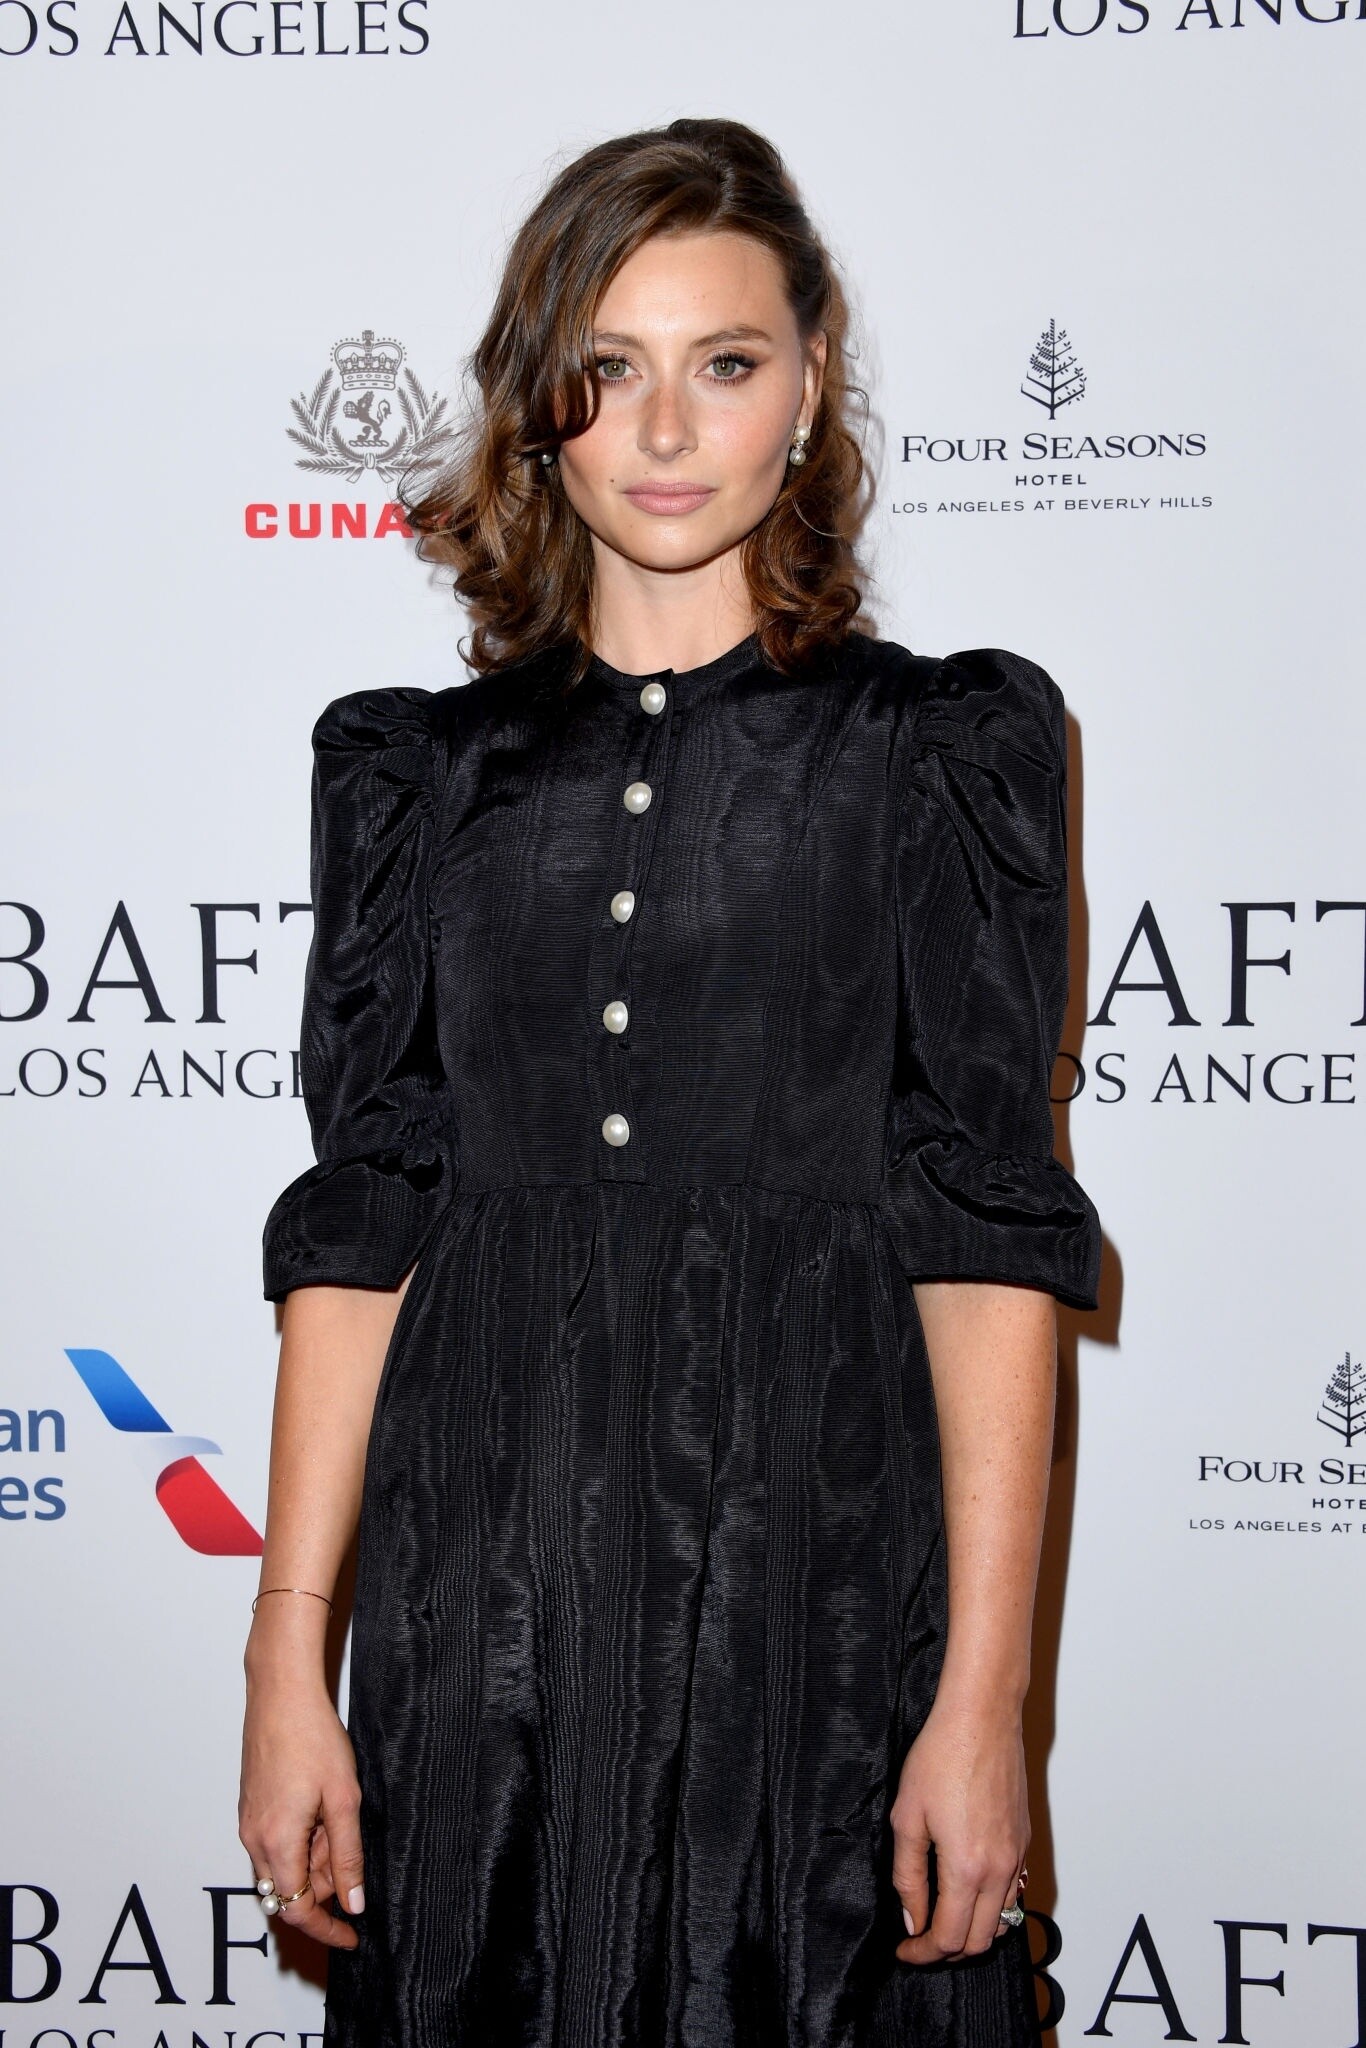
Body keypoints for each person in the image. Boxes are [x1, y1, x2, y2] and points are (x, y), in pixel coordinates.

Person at [238, 115, 1102, 2048]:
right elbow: (360, 1238)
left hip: (818, 1596)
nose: (661, 426)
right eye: (606, 367)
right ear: (535, 405)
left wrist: (983, 1703)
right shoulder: (418, 776)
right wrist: (287, 1656)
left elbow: (983, 1243)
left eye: (723, 362)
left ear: (809, 386)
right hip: (479, 1609)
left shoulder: (935, 750)